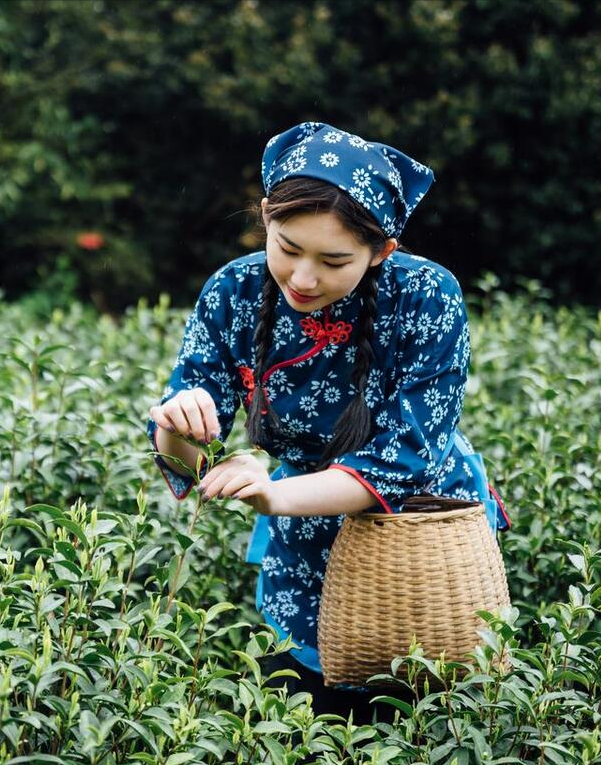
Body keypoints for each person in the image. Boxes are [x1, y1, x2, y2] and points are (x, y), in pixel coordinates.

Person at [147, 121, 510, 723]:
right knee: (308, 713)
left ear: (381, 251)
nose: (304, 278)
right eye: (287, 248)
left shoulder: (426, 294)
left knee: (425, 709)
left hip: (418, 531)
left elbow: (407, 456)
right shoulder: (232, 292)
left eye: (334, 260)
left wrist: (275, 494)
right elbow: (189, 458)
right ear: (266, 216)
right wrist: (178, 427)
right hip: (301, 531)